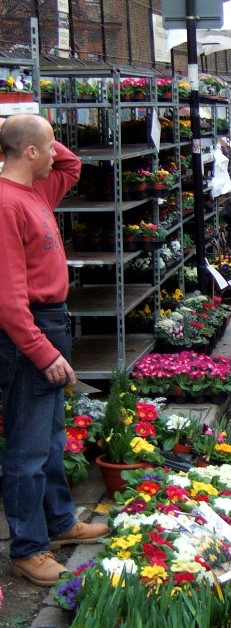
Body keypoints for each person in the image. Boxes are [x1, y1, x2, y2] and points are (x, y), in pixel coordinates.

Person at [0, 114, 108, 587]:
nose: (56, 152)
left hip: (51, 321)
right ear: (29, 154)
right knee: (27, 445)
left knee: (50, 436)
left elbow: (72, 165)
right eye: (46, 146)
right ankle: (27, 548)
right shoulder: (6, 202)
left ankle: (60, 523)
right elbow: (6, 297)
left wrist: (29, 130)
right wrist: (41, 351)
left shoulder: (36, 190)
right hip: (29, 332)